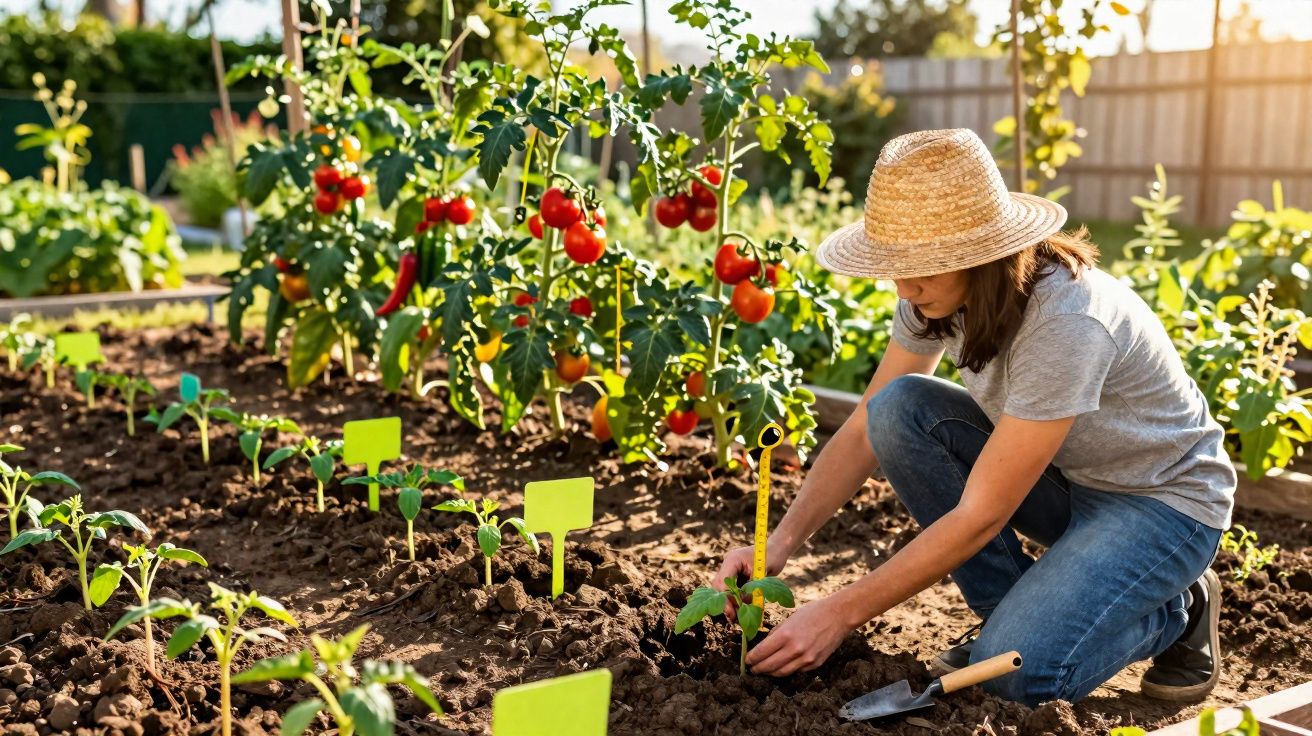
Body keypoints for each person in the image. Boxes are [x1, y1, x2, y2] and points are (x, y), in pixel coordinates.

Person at [714, 128, 1235, 706]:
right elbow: (865, 427)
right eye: (896, 266)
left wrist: (838, 613)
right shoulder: (931, 296)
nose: (904, 287)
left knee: (1013, 676)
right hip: (1071, 480)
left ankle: (1174, 613)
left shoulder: (1066, 321)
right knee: (897, 409)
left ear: (983, 253)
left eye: (924, 267)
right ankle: (1010, 618)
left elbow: (983, 514)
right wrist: (776, 547)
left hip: (1161, 504)